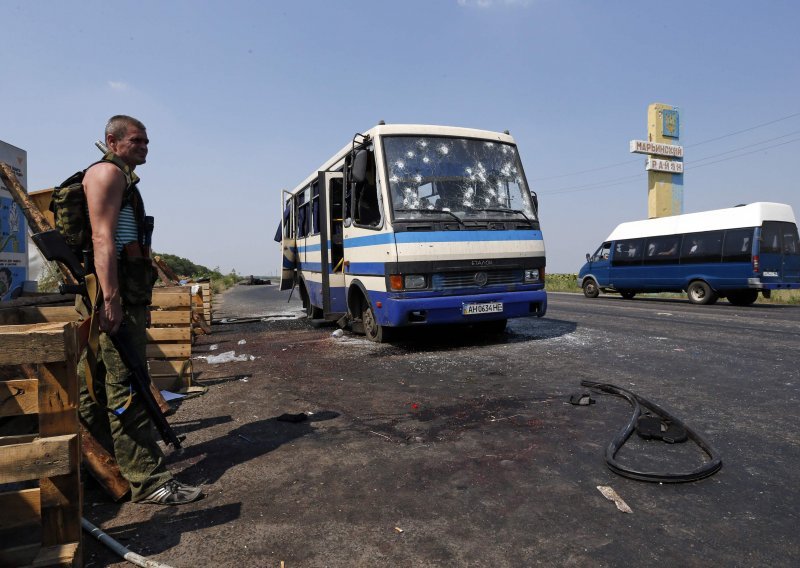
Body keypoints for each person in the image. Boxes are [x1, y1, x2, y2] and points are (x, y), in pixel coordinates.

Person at [79, 115, 202, 505]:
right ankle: (150, 482)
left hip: (121, 296)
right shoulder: (107, 174)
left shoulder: (121, 176)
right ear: (112, 141)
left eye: (147, 142)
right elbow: (103, 238)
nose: (144, 147)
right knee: (126, 388)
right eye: (136, 141)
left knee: (96, 387)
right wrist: (112, 299)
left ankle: (103, 469)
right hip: (110, 298)